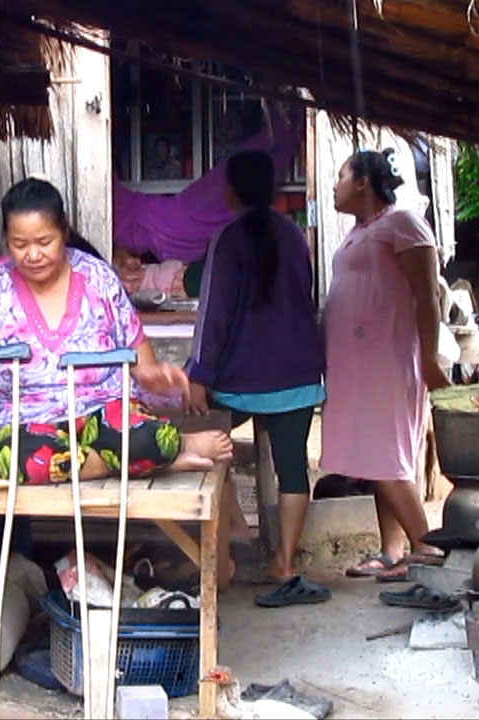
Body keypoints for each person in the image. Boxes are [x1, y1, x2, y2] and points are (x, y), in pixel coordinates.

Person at [0, 178, 234, 491]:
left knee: (149, 437)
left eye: (44, 241)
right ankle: (156, 461)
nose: (33, 254)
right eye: (19, 243)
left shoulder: (98, 278)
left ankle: (154, 453)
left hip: (101, 411)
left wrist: (155, 376)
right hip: (23, 423)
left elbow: (140, 360)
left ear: (64, 232)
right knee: (21, 461)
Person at [185, 150, 328, 608]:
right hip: (296, 372)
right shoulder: (294, 235)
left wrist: (199, 374)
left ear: (230, 190)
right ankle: (283, 562)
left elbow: (213, 315)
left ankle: (225, 551)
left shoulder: (226, 240)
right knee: (292, 470)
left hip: (240, 379)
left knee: (212, 456)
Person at [323, 148, 450, 583]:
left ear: (363, 181)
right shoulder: (360, 232)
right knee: (379, 458)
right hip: (358, 367)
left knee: (389, 457)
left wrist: (431, 357)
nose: (334, 185)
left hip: (389, 361)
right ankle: (392, 551)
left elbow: (427, 295)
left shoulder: (404, 223)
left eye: (340, 175)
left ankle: (427, 545)